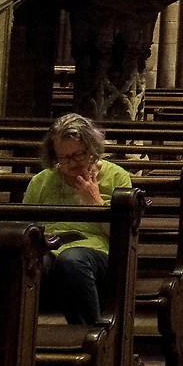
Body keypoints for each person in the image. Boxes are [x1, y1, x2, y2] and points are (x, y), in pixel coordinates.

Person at [22, 114, 135, 325]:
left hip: (98, 253)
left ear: (91, 149)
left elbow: (124, 237)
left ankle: (91, 337)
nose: (69, 164)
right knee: (28, 265)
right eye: (62, 158)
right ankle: (19, 344)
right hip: (50, 248)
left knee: (71, 261)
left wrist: (95, 203)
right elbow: (26, 228)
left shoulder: (117, 177)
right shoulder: (42, 181)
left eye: (77, 156)